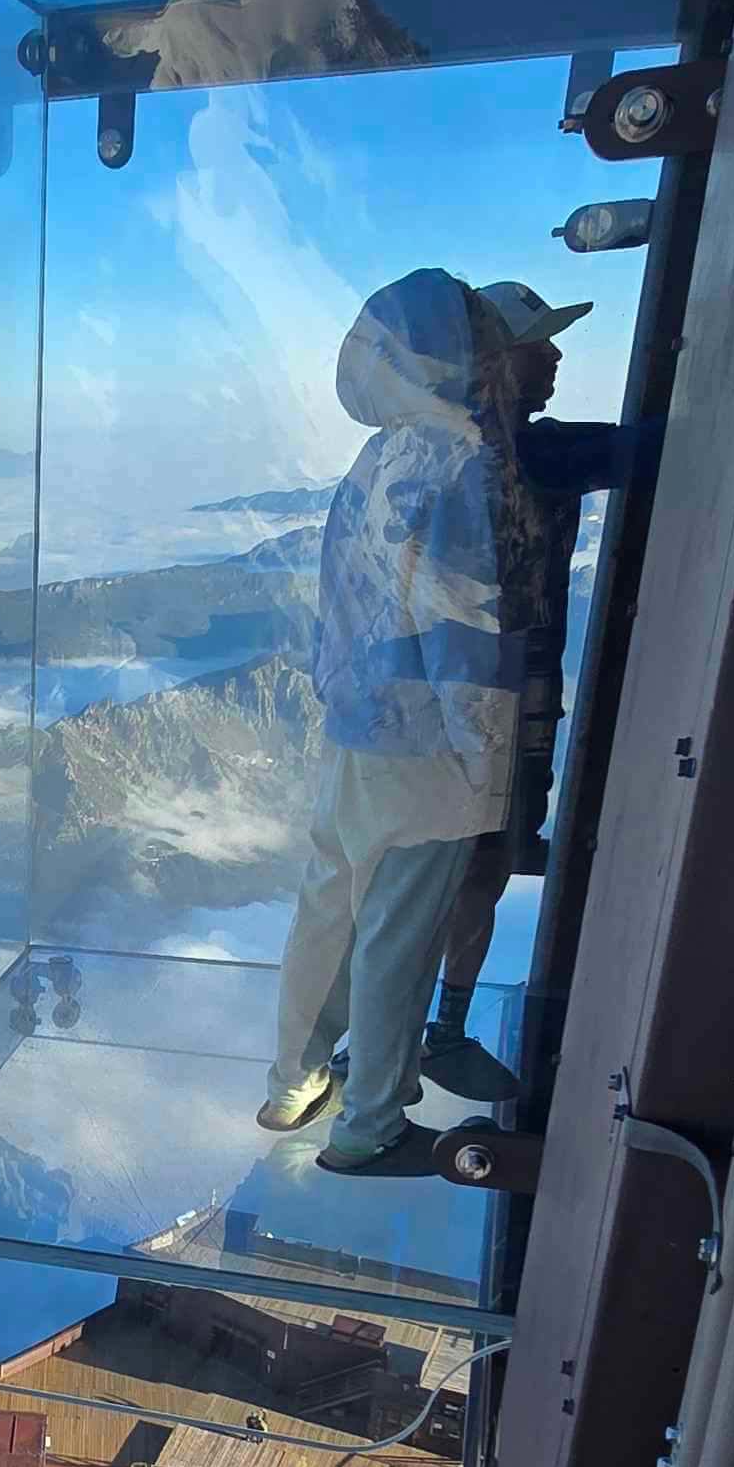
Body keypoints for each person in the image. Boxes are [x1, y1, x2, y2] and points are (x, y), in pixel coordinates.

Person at [257, 269, 523, 1175]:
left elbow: (338, 600)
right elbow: (463, 625)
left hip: (357, 722)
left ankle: (293, 1079)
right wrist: (484, 755)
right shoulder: (457, 464)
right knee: (401, 938)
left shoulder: (376, 460)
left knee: (330, 908)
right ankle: (370, 1126)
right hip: (425, 742)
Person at [412, 277, 647, 1098]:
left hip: (458, 698)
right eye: (535, 344)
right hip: (499, 704)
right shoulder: (527, 455)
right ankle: (431, 1032)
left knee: (469, 857)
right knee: (482, 859)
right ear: (495, 362)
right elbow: (650, 448)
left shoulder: (445, 452)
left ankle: (405, 1031)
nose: (554, 355)